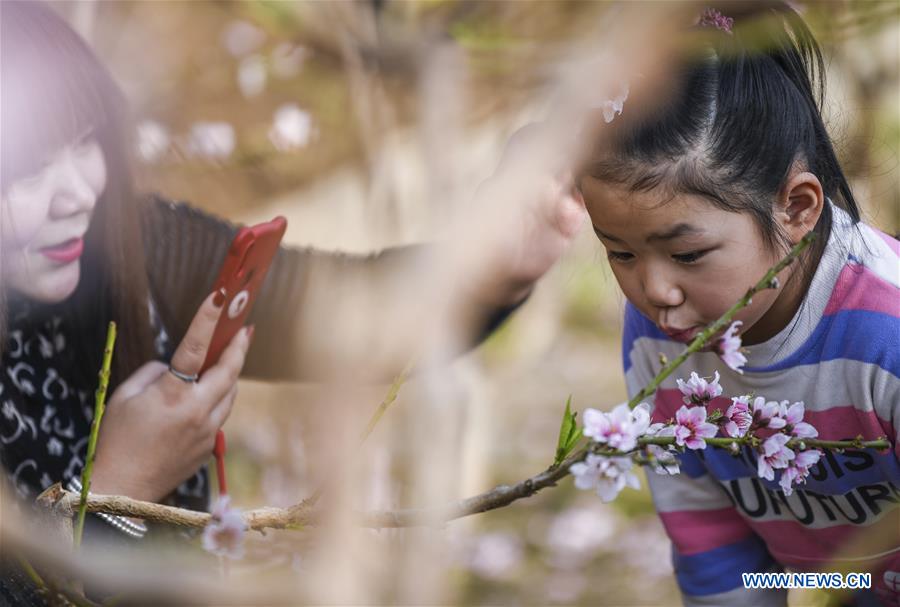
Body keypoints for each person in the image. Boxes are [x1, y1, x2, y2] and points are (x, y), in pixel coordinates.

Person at [0, 2, 586, 603]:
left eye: (85, 142)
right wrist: (118, 490)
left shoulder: (131, 243)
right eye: (29, 169)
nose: (77, 193)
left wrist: (494, 265)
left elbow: (342, 314)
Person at [576, 3, 899, 605]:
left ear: (797, 208)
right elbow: (706, 528)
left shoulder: (887, 334)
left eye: (688, 254)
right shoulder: (660, 336)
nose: (655, 293)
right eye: (619, 253)